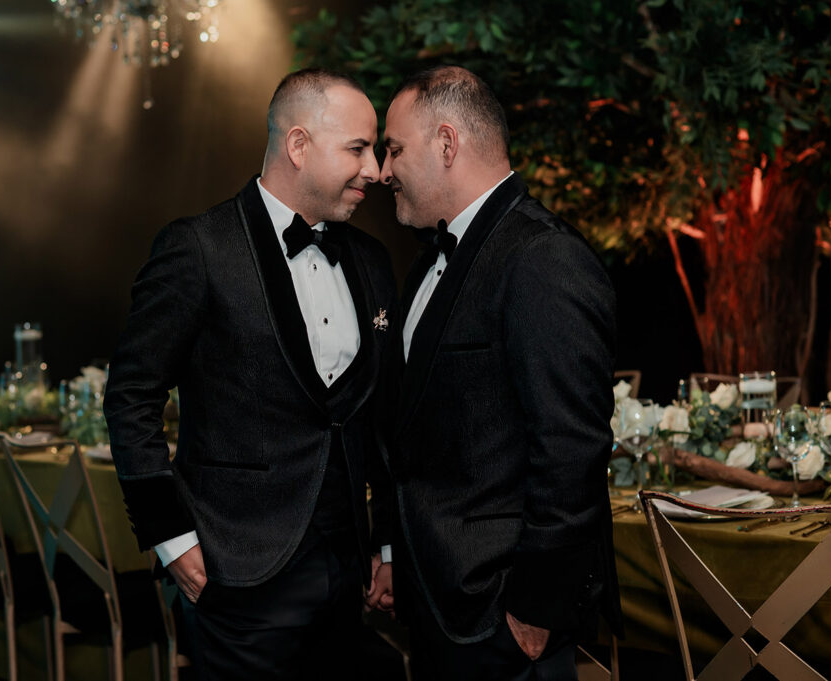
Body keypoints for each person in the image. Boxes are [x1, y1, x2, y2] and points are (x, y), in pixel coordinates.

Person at [103, 68, 397, 681]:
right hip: (236, 571)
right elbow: (131, 397)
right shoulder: (199, 248)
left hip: (348, 574)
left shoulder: (371, 259)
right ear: (298, 145)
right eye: (358, 149)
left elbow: (381, 416)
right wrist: (171, 538)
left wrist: (386, 543)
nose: (375, 170)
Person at [367, 65, 621, 680]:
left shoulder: (543, 257)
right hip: (437, 603)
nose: (382, 171)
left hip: (502, 618)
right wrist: (394, 550)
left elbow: (572, 449)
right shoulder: (427, 262)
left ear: (446, 144)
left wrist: (535, 608)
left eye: (394, 149)